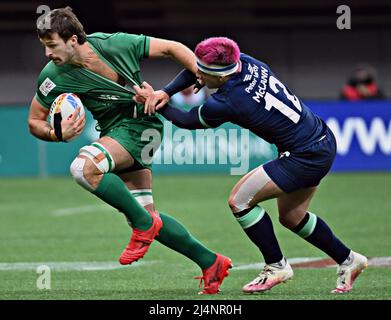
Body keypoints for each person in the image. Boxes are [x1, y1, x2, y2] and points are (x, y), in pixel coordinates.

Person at [134, 37, 368, 294]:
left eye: (202, 72)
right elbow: (196, 71)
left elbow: (187, 120)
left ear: (220, 78)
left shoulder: (228, 101)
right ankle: (349, 260)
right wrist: (166, 92)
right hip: (321, 139)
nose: (196, 75)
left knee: (240, 201)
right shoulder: (245, 61)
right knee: (292, 217)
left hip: (303, 156)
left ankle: (276, 266)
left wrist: (153, 101)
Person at [28, 7, 232, 295]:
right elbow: (34, 121)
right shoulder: (53, 77)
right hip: (113, 133)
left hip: (141, 125)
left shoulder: (115, 43)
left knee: (84, 168)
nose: (48, 54)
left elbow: (173, 48)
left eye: (52, 45)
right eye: (44, 47)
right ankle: (211, 262)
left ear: (73, 40)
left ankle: (142, 225)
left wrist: (200, 77)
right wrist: (56, 134)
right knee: (148, 213)